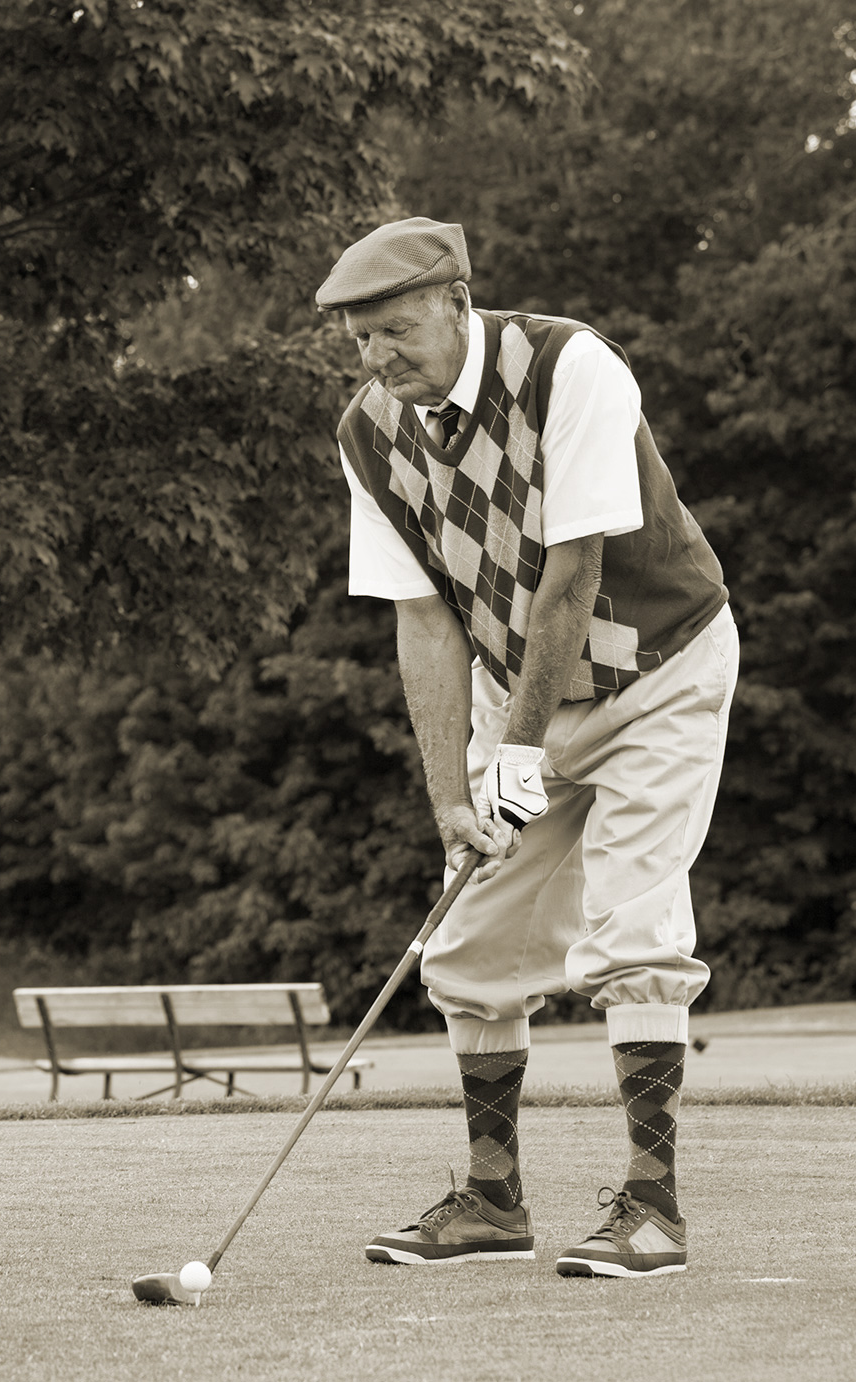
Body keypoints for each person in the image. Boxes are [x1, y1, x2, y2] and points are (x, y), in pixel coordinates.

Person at [319, 217, 737, 1278]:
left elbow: (572, 570)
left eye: (397, 329)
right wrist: (450, 800)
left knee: (632, 929)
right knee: (467, 944)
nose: (378, 357)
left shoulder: (569, 367)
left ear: (457, 302)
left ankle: (653, 1208)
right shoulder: (367, 433)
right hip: (521, 694)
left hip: (659, 671)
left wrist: (515, 751)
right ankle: (493, 1199)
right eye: (360, 340)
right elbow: (424, 621)